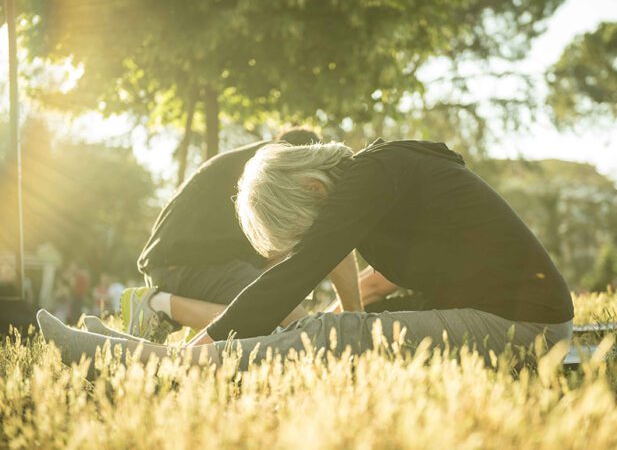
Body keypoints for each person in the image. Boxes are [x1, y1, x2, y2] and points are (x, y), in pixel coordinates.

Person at [38, 137, 573, 371]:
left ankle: (163, 365)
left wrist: (202, 344)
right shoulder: (387, 185)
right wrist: (349, 317)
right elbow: (378, 279)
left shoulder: (375, 171)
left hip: (524, 329)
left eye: (305, 228)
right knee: (330, 326)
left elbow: (299, 272)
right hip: (506, 319)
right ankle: (141, 352)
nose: (313, 239)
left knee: (327, 333)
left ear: (315, 190)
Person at [121, 128, 396, 343]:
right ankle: (158, 306)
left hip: (180, 263)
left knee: (279, 313)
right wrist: (355, 321)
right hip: (185, 266)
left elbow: (300, 256)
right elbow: (333, 241)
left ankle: (179, 313)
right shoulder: (275, 174)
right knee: (292, 327)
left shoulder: (259, 165)